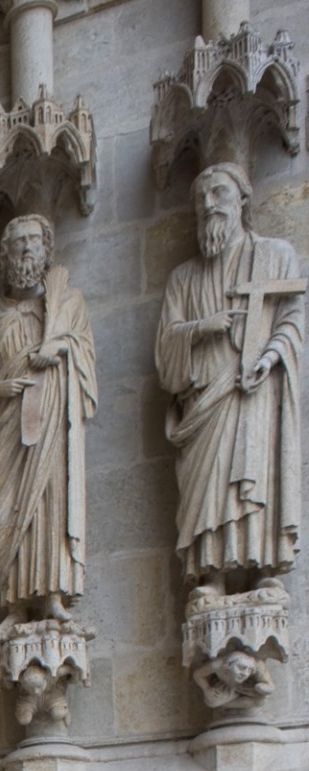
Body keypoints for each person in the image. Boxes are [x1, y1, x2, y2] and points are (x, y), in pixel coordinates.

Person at [156, 162, 303, 595]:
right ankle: (212, 572)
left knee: (253, 471)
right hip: (204, 400)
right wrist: (203, 327)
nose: (207, 204)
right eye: (200, 199)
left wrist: (271, 355)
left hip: (253, 390)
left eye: (217, 193)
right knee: (211, 484)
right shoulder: (183, 278)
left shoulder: (275, 256)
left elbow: (293, 318)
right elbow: (166, 350)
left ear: (243, 199)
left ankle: (262, 564)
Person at [0, 215, 97, 630]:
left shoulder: (67, 304)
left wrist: (58, 347)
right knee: (6, 509)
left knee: (49, 505)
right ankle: (15, 602)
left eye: (33, 241)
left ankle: (54, 595)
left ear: (47, 251)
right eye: (17, 242)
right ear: (5, 255)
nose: (26, 249)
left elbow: (85, 359)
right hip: (9, 423)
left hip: (52, 423)